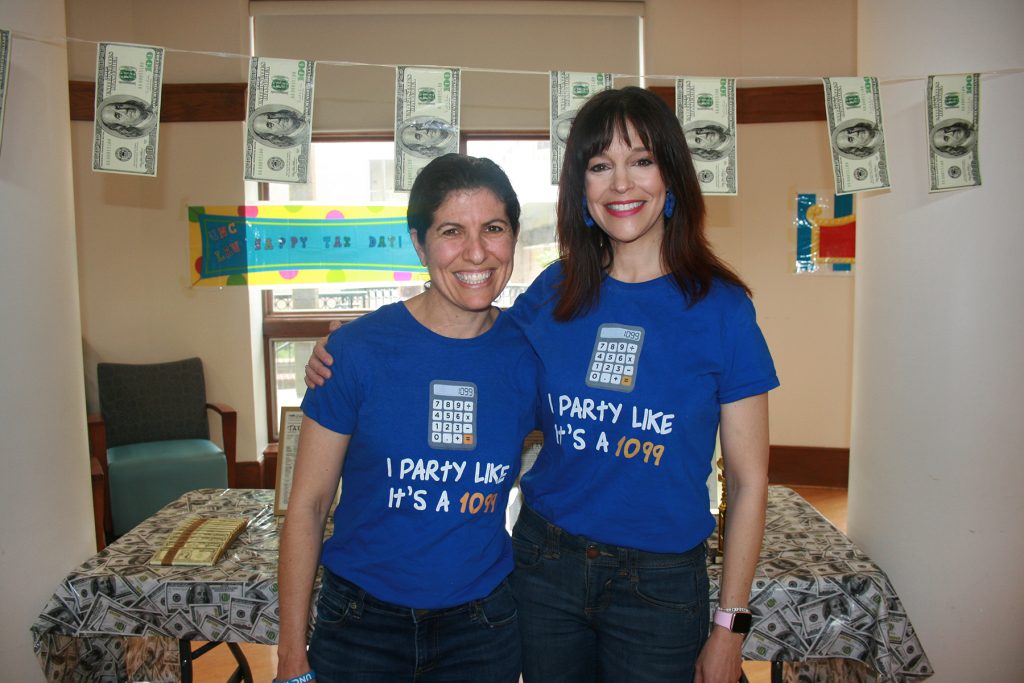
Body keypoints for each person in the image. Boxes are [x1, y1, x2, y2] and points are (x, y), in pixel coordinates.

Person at [308, 86, 778, 683]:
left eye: (641, 161)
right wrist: (347, 346)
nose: (621, 184)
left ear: (672, 179)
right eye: (600, 166)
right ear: (581, 190)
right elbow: (465, 340)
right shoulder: (556, 292)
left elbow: (749, 479)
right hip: (543, 564)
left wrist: (729, 627)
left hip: (659, 582)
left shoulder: (722, 310)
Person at [276, 154, 538, 683]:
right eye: (451, 232)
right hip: (360, 627)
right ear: (419, 244)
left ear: (514, 238)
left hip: (481, 629)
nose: (476, 252)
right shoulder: (354, 353)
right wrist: (290, 657)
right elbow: (307, 507)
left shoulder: (532, 353)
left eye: (493, 228)